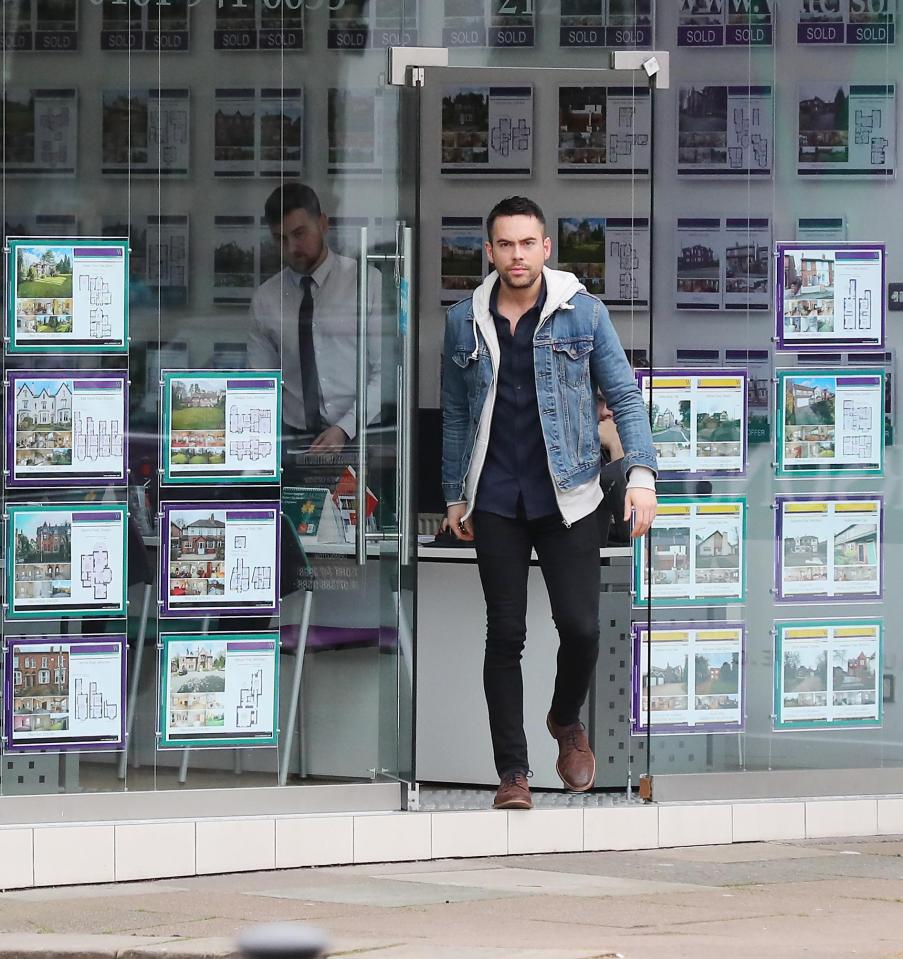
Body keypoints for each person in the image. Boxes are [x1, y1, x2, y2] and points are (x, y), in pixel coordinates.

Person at [441, 196, 658, 810]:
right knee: (505, 634)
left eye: (526, 243)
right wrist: (455, 495)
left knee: (582, 628)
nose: (516, 255)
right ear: (490, 251)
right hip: (496, 498)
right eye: (504, 245)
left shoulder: (581, 314)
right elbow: (456, 414)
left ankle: (566, 720)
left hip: (572, 495)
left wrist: (640, 474)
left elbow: (625, 393)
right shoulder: (463, 321)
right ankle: (513, 773)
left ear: (545, 248)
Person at [248, 183, 381, 453]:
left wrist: (345, 428)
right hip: (295, 440)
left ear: (322, 224)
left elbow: (385, 374)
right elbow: (259, 384)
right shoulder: (266, 299)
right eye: (280, 239)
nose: (292, 247)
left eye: (299, 233)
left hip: (361, 437)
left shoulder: (366, 283)